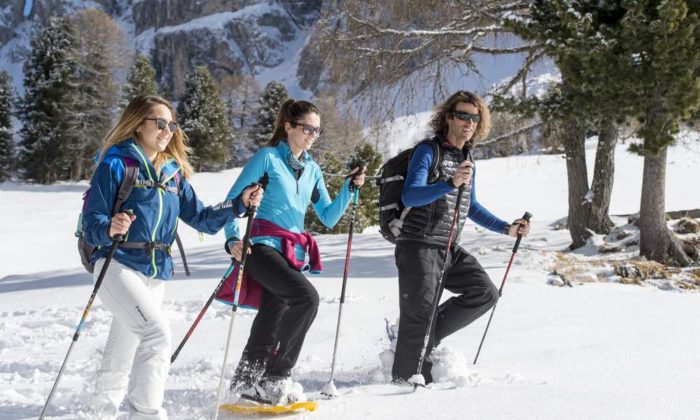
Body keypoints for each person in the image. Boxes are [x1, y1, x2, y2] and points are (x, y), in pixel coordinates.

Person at [82, 95, 262, 419]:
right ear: (138, 124)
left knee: (124, 346)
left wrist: (237, 204)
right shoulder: (116, 163)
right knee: (156, 333)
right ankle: (146, 413)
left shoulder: (173, 173)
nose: (167, 130)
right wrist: (110, 226)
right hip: (116, 264)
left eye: (171, 125)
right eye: (160, 123)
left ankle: (100, 411)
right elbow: (90, 222)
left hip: (156, 273)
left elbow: (202, 218)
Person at [222, 99, 365, 405]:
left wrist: (349, 190)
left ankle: (245, 382)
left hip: (290, 252)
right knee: (306, 298)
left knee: (272, 317)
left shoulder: (312, 169)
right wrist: (233, 238)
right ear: (288, 127)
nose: (312, 134)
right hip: (260, 247)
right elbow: (233, 200)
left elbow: (327, 216)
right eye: (307, 128)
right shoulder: (268, 159)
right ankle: (274, 379)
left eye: (317, 130)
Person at [391, 90, 530, 385]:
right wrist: (448, 182)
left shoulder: (467, 158)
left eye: (474, 117)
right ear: (448, 118)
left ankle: (420, 340)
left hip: (449, 247)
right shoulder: (428, 151)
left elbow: (472, 206)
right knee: (419, 315)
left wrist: (507, 228)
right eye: (463, 115)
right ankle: (404, 381)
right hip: (418, 245)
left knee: (485, 293)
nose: (469, 122)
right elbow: (411, 194)